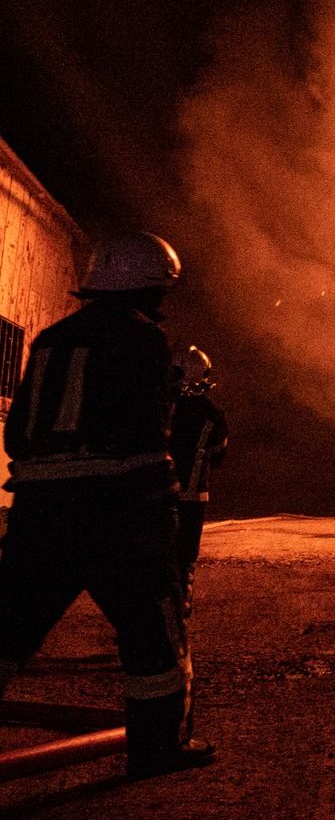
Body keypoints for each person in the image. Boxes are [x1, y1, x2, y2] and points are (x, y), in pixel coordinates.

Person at [0, 232, 214, 778]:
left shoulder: (49, 339)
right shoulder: (142, 341)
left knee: (9, 628)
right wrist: (161, 512)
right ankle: (155, 750)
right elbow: (144, 437)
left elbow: (21, 430)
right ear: (152, 287)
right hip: (117, 514)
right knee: (154, 637)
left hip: (37, 513)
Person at [168, 345, 227, 612]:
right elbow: (217, 456)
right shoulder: (213, 414)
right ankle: (181, 601)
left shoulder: (159, 406)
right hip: (193, 496)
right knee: (185, 554)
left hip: (157, 493)